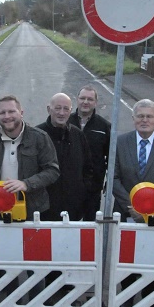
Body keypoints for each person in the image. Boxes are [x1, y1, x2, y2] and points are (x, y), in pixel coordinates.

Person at [0, 95, 60, 220]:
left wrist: (26, 184)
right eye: (2, 113)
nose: (7, 116)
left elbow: (52, 171)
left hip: (31, 210)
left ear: (21, 113)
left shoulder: (40, 138)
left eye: (11, 111)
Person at [37, 93, 94, 221]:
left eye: (66, 109)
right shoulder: (37, 135)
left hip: (73, 209)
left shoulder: (78, 135)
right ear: (48, 109)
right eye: (57, 108)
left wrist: (82, 193)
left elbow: (88, 168)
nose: (61, 113)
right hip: (44, 210)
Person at [68, 85, 111, 217]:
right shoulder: (66, 121)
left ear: (96, 102)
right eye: (82, 98)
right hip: (68, 186)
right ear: (77, 99)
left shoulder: (104, 126)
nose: (85, 102)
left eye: (90, 99)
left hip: (93, 187)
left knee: (90, 226)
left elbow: (111, 156)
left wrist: (109, 180)